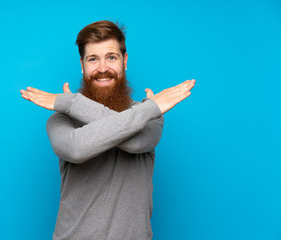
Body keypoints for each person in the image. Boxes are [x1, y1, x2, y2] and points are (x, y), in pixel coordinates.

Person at [20, 20, 195, 240]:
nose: (103, 68)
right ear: (82, 65)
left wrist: (72, 102)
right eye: (93, 59)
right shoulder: (62, 116)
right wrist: (72, 105)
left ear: (125, 61)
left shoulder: (150, 116)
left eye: (111, 57)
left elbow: (134, 142)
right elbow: (76, 148)